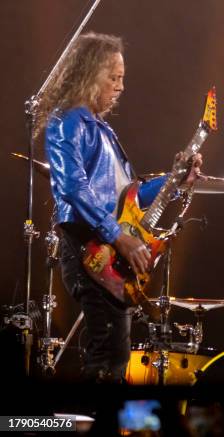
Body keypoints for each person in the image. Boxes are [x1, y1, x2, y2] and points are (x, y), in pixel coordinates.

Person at [37, 32, 202, 383]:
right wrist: (118, 236)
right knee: (107, 352)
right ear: (87, 73)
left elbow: (131, 198)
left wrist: (175, 181)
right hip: (88, 246)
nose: (120, 86)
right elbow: (72, 187)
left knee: (114, 353)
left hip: (108, 249)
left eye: (122, 78)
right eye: (113, 77)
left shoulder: (104, 132)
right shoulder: (67, 120)